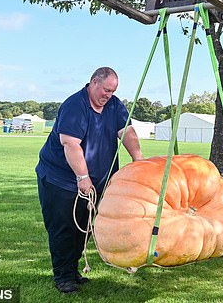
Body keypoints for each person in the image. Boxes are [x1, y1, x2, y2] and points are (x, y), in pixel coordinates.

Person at [35, 67, 143, 294]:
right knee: (63, 229)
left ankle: (72, 271)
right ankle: (63, 277)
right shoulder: (76, 105)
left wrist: (138, 160)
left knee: (83, 229)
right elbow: (70, 144)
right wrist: (82, 177)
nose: (108, 95)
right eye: (106, 90)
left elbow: (127, 132)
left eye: (113, 91)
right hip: (60, 180)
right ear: (94, 82)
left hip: (96, 182)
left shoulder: (114, 106)